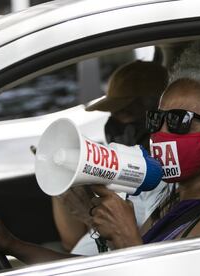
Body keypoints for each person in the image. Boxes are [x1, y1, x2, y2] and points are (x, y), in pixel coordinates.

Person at [0, 38, 200, 262]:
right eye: (157, 120)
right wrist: (12, 244)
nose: (160, 133)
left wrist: (127, 237)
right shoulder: (172, 197)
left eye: (179, 121)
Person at [52, 60, 169, 255]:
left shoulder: (167, 182)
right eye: (113, 114)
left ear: (155, 115)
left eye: (125, 112)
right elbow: (71, 244)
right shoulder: (117, 168)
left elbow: (142, 255)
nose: (115, 123)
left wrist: (90, 216)